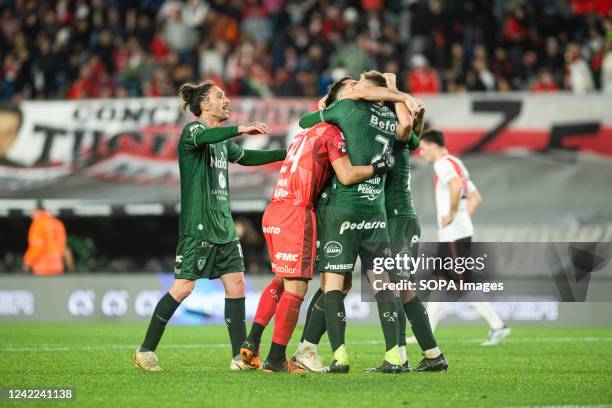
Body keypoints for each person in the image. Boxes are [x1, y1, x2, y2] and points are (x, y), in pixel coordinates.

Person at [239, 77, 395, 373]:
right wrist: (378, 166)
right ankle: (278, 358)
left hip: (274, 209)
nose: (358, 90)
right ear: (338, 102)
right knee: (298, 289)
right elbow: (346, 175)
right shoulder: (333, 132)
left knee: (282, 283)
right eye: (351, 87)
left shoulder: (305, 133)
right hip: (298, 212)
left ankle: (250, 344)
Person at [133, 81, 287, 372]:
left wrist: (284, 154)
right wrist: (241, 128)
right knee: (182, 288)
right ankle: (146, 350)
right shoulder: (194, 131)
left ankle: (240, 357)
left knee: (237, 284)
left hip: (223, 226)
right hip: (199, 226)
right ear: (204, 104)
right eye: (220, 96)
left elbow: (245, 157)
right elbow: (206, 137)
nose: (226, 100)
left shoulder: (220, 141)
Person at [296, 70, 416, 373]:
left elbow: (304, 123)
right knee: (381, 283)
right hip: (375, 210)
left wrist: (326, 108)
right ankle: (394, 355)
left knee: (333, 283)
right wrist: (398, 93)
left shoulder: (344, 108)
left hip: (341, 207)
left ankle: (339, 355)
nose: (354, 86)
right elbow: (407, 130)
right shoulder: (391, 117)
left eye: (357, 83)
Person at [418, 129, 511, 346]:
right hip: (458, 231)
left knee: (464, 285)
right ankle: (427, 333)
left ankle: (498, 325)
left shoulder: (441, 164)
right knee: (439, 283)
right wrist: (461, 216)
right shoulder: (456, 162)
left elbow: (455, 186)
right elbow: (475, 198)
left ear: (433, 146)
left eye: (423, 149)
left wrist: (451, 214)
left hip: (453, 235)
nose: (421, 153)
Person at [23, 204, 73, 275]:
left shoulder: (38, 224)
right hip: (57, 267)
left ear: (37, 211)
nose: (31, 215)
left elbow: (37, 247)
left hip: (42, 267)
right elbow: (63, 247)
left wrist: (27, 261)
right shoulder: (58, 224)